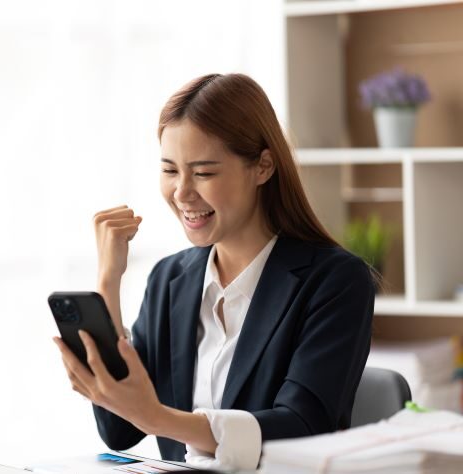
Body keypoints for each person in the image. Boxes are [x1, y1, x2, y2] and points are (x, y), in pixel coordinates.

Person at [52, 73, 375, 470]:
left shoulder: (335, 282)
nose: (182, 193)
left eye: (203, 173)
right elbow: (119, 430)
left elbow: (303, 425)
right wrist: (108, 282)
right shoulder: (170, 280)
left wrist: (160, 419)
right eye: (170, 171)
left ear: (263, 166)